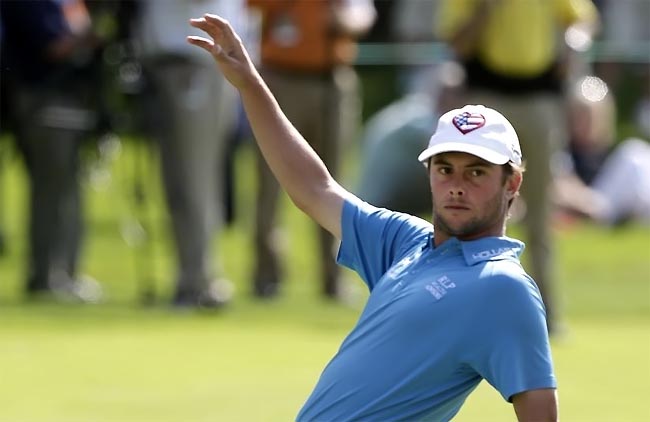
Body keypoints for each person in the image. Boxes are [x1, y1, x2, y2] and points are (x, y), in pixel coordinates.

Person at [187, 14, 557, 421]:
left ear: (512, 183)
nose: (456, 185)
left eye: (476, 172)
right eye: (444, 168)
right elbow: (314, 189)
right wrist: (250, 84)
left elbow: (540, 414)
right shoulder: (406, 242)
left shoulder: (504, 287)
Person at [437, 0, 600, 334]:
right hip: (487, 100)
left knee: (540, 211)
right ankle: (465, 310)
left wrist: (573, 45)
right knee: (472, 208)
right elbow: (456, 41)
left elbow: (582, 22)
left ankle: (545, 314)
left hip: (540, 98)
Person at [245, 0, 376, 299]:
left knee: (335, 181)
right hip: (281, 76)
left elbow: (362, 14)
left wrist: (345, 21)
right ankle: (267, 276)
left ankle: (334, 278)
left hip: (333, 78)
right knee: (270, 180)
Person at [133, 0, 247, 308]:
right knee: (179, 181)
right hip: (166, 66)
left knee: (193, 178)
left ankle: (200, 281)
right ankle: (192, 277)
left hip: (194, 63)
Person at [0, 0, 103, 302]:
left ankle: (66, 274)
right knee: (51, 191)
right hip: (42, 98)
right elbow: (52, 46)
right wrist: (93, 36)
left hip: (70, 97)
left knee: (69, 189)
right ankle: (46, 276)